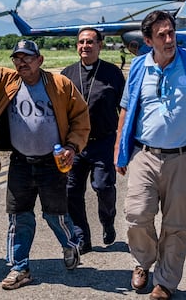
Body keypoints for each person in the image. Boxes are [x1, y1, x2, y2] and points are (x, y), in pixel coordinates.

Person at [0, 7, 90, 290]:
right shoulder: (5, 81)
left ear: (40, 60)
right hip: (21, 161)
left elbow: (81, 118)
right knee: (18, 217)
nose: (21, 63)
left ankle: (70, 245)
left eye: (27, 58)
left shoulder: (59, 84)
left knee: (54, 215)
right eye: (17, 58)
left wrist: (72, 146)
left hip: (52, 161)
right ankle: (20, 268)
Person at [114, 11, 186, 300]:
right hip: (144, 154)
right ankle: (143, 261)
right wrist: (119, 149)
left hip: (184, 155)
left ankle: (165, 282)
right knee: (137, 215)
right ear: (148, 40)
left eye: (171, 32)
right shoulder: (138, 66)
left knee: (177, 224)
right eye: (161, 35)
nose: (169, 39)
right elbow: (126, 109)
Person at [61, 28, 125, 254]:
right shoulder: (66, 74)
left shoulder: (113, 73)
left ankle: (108, 220)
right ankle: (82, 238)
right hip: (75, 145)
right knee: (71, 191)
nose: (85, 46)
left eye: (90, 42)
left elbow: (123, 110)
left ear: (100, 45)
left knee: (104, 186)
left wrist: (123, 143)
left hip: (103, 142)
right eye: (81, 42)